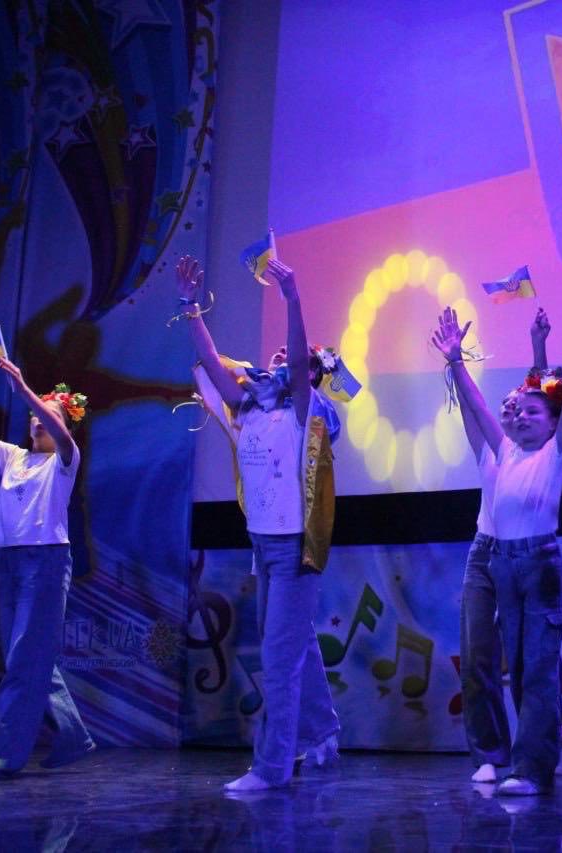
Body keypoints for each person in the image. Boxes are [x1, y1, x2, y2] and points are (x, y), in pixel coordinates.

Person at [176, 254, 342, 792]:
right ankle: (322, 732)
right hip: (263, 547)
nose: (278, 358)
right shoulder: (247, 409)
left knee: (278, 657)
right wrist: (190, 307)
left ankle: (271, 769)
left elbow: (299, 361)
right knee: (295, 645)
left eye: (291, 360)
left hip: (295, 549)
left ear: (308, 377)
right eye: (275, 356)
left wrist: (292, 299)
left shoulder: (304, 412)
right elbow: (211, 363)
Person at [432, 306, 562, 795]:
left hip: (538, 561)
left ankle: (532, 767)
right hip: (500, 560)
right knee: (509, 663)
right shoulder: (501, 450)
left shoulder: (554, 452)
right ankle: (514, 760)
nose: (520, 416)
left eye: (532, 412)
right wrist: (455, 360)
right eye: (514, 411)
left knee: (535, 667)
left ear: (552, 424)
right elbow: (478, 407)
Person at [0, 356, 95, 780]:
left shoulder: (65, 460)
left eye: (50, 415)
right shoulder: (13, 457)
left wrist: (26, 390)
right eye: (34, 415)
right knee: (24, 657)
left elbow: (62, 434)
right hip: (7, 562)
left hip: (44, 563)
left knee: (24, 662)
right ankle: (72, 733)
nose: (39, 420)